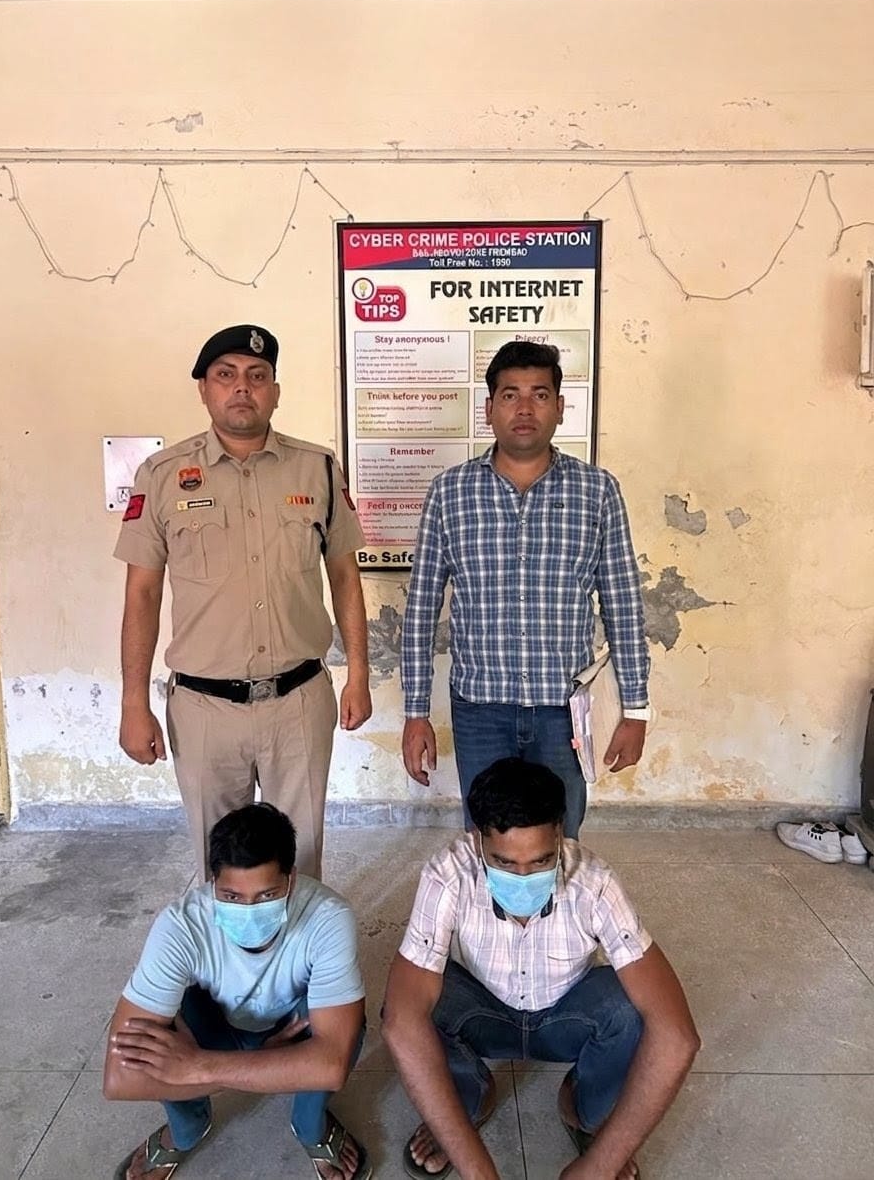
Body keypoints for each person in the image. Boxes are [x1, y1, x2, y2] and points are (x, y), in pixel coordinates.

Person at [115, 324, 371, 879]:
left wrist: (359, 674)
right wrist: (133, 702)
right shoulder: (161, 476)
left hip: (298, 700)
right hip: (204, 709)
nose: (242, 388)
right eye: (225, 375)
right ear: (204, 390)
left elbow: (344, 577)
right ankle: (229, 941)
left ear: (275, 391)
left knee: (300, 859)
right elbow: (142, 593)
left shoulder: (318, 468)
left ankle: (298, 940)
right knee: (219, 862)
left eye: (257, 376)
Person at [382, 758, 699, 1180]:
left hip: (562, 1017)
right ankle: (467, 1103)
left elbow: (677, 1036)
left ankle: (583, 1111)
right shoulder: (448, 874)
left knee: (632, 1009)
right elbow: (401, 1023)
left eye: (541, 861)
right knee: (411, 1007)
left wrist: (598, 1167)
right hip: (484, 1010)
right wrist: (479, 1172)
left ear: (560, 834)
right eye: (504, 863)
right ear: (477, 839)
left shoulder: (595, 882)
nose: (523, 877)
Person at [401, 339, 649, 837]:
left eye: (539, 394)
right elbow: (422, 608)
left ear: (560, 407)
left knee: (560, 835)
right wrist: (416, 712)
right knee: (486, 837)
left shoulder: (597, 491)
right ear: (489, 408)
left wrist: (636, 709)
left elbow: (623, 604)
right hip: (480, 709)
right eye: (510, 395)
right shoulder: (450, 492)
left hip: (564, 710)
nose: (525, 408)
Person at [104, 802, 371, 1180]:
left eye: (266, 895)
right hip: (215, 1024)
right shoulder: (180, 926)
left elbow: (331, 1066)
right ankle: (186, 1128)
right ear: (212, 883)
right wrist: (264, 1066)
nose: (248, 910)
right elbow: (120, 1079)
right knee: (159, 1037)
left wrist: (195, 1067)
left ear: (291, 880)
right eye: (231, 897)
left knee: (342, 1026)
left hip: (290, 1024)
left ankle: (309, 1125)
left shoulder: (328, 917)